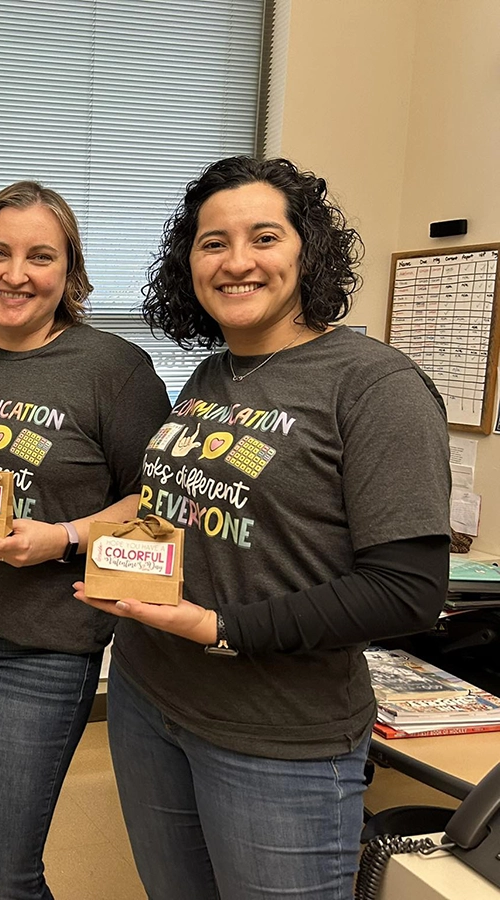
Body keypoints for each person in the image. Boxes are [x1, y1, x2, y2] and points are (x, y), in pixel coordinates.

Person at [75, 156, 451, 900]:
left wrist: (220, 626)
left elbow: (406, 591)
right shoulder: (214, 376)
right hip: (152, 701)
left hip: (278, 739)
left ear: (306, 249)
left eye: (264, 237)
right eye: (213, 242)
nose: (237, 261)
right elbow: (174, 505)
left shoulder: (375, 385)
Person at [0, 181, 171, 900]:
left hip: (43, 647)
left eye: (39, 256)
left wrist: (63, 537)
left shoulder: (115, 370)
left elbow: (161, 497)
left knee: (3, 863)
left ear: (69, 272)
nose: (15, 274)